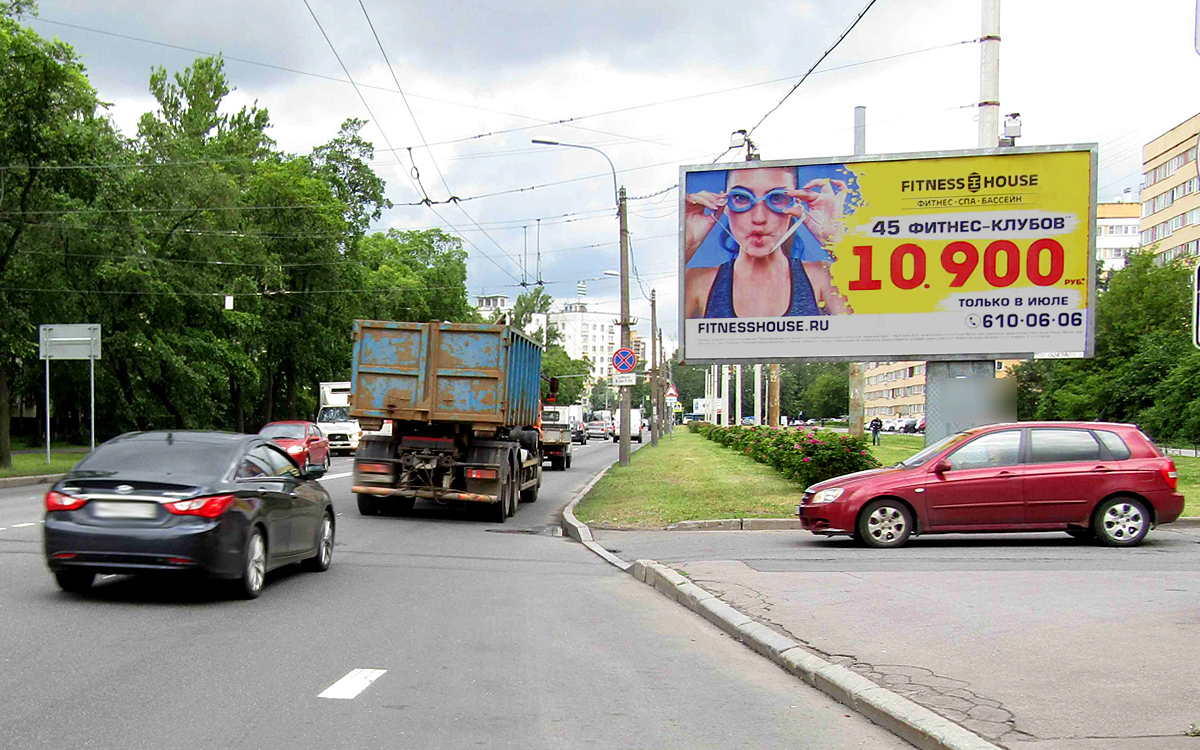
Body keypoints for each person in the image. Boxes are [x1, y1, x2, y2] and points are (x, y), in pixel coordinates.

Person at [684, 166, 853, 319]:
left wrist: (836, 243)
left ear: (794, 205)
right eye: (741, 198)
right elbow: (663, 333)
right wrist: (687, 245)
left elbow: (868, 335)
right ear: (726, 206)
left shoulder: (823, 277)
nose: (759, 218)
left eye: (777, 198)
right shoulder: (697, 282)